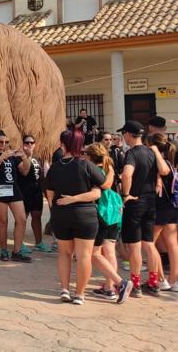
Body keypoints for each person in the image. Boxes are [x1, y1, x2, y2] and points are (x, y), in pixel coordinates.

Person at [46, 129, 131, 305]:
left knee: (64, 253)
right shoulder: (86, 165)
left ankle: (64, 290)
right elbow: (104, 187)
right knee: (85, 256)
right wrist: (112, 173)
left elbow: (50, 195)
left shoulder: (54, 167)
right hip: (85, 215)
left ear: (63, 144)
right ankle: (80, 294)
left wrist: (58, 207)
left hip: (61, 214)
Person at [119, 120, 170, 297]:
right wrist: (156, 152)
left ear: (127, 135)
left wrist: (125, 195)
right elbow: (164, 172)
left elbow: (127, 174)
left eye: (123, 134)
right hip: (151, 203)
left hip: (135, 203)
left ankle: (136, 284)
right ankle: (154, 283)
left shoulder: (132, 153)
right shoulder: (151, 152)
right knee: (149, 244)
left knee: (134, 246)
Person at [83, 143, 132, 302]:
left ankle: (118, 283)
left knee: (94, 253)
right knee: (110, 250)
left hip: (100, 215)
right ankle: (109, 287)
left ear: (90, 156)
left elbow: (100, 188)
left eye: (85, 154)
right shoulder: (109, 168)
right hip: (113, 214)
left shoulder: (92, 171)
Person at [0, 130, 32, 263]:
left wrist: (24, 157)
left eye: (6, 142)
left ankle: (17, 251)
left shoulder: (13, 155)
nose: (4, 144)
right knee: (3, 221)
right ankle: (3, 250)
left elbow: (25, 171)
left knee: (21, 219)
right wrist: (1, 158)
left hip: (14, 189)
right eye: (1, 141)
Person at [146, 133, 178, 291]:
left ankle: (161, 279)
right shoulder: (172, 162)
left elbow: (163, 172)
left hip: (161, 207)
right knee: (172, 244)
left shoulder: (161, 163)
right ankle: (175, 280)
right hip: (171, 206)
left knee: (149, 243)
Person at [18, 135, 52, 253]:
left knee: (37, 216)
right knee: (22, 218)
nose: (29, 145)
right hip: (24, 191)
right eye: (27, 143)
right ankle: (19, 243)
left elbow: (43, 176)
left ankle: (39, 242)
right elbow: (23, 171)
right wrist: (26, 156)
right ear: (23, 144)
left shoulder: (38, 158)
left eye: (32, 143)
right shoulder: (19, 158)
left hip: (37, 191)